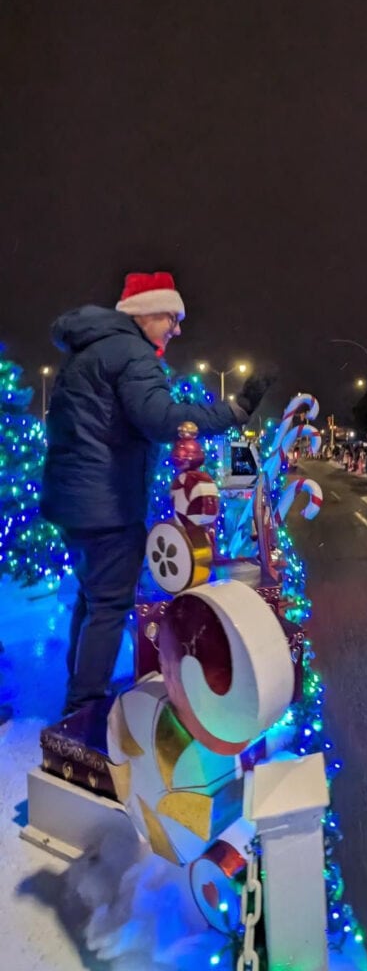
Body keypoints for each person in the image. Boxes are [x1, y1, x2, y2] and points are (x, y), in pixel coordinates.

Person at [41, 272, 262, 715]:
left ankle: (78, 690)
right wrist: (233, 410)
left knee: (91, 599)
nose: (177, 330)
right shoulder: (132, 354)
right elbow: (163, 419)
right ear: (145, 313)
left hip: (74, 501)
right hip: (108, 503)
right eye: (172, 318)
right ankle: (85, 707)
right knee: (109, 605)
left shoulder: (92, 351)